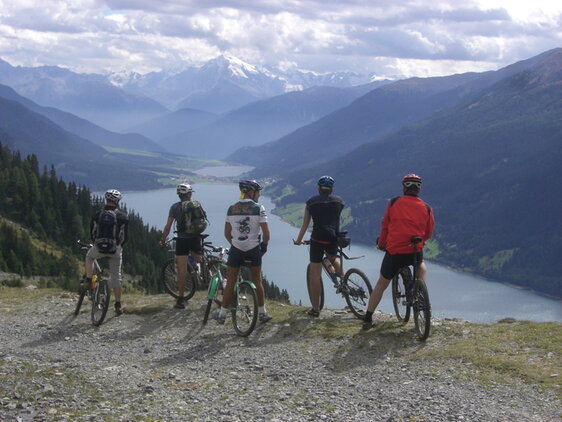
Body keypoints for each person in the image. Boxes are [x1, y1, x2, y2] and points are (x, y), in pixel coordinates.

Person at [362, 173, 434, 329]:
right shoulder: (427, 208)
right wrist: (422, 241)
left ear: (404, 187)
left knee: (382, 283)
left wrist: (382, 244)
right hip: (415, 250)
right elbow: (428, 232)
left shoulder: (394, 203)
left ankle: (367, 318)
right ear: (419, 189)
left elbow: (385, 226)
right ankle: (420, 289)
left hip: (395, 251)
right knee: (421, 263)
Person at [213, 179, 272, 324]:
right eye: (257, 191)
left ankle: (222, 314)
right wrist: (263, 247)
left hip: (236, 250)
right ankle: (263, 313)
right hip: (253, 250)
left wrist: (235, 243)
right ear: (251, 191)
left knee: (231, 282)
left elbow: (227, 233)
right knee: (257, 281)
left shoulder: (231, 208)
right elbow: (266, 235)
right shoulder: (259, 208)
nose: (258, 194)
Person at [293, 175, 345, 317]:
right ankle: (345, 280)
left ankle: (315, 309)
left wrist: (298, 240)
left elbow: (305, 225)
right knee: (333, 258)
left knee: (314, 275)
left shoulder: (311, 203)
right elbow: (336, 220)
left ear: (318, 188)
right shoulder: (339, 201)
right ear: (332, 189)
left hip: (317, 239)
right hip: (334, 237)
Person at [160, 183, 206, 309]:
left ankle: (180, 299)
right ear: (190, 194)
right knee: (200, 259)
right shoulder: (196, 204)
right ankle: (205, 274)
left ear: (179, 195)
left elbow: (168, 226)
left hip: (183, 240)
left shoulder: (174, 207)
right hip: (196, 237)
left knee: (181, 269)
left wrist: (163, 239)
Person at [85, 189, 129, 315]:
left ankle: (89, 279)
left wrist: (97, 244)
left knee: (89, 257)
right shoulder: (123, 217)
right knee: (116, 277)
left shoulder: (97, 214)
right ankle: (118, 305)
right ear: (117, 201)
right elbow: (125, 238)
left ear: (106, 200)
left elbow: (92, 233)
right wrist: (118, 247)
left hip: (98, 248)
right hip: (114, 250)